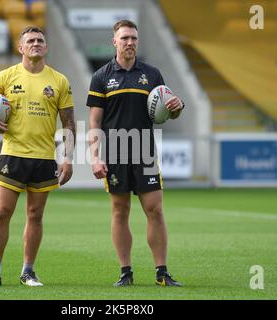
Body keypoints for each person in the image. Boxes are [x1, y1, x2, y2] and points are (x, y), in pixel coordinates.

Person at [0, 26, 75, 288]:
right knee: (2, 212)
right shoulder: (5, 76)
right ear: (21, 48)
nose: (36, 44)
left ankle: (28, 272)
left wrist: (68, 157)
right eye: (31, 41)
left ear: (46, 47)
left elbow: (69, 123)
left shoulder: (59, 80)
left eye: (40, 40)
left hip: (43, 157)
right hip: (12, 155)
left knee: (35, 215)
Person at [86, 20, 184, 287]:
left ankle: (162, 272)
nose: (130, 42)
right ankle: (125, 272)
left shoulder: (152, 74)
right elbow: (94, 123)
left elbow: (166, 112)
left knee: (155, 210)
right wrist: (95, 156)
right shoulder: (101, 76)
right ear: (114, 42)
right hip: (115, 150)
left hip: (145, 150)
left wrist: (177, 106)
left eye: (134, 38)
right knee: (120, 211)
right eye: (125, 38)